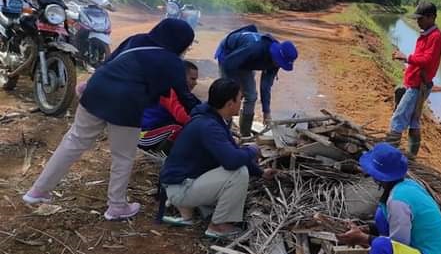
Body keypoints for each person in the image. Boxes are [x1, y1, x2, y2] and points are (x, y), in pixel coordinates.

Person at [23, 18, 199, 220]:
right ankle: (116, 206)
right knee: (123, 156)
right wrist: (208, 111)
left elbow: (109, 61)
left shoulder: (137, 39)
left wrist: (86, 84)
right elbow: (184, 96)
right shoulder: (173, 63)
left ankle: (37, 191)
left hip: (97, 90)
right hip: (126, 104)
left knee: (73, 141)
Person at [159, 78, 276, 238]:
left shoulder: (212, 118)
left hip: (181, 182)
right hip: (180, 188)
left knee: (236, 165)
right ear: (229, 104)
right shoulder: (209, 126)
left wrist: (260, 172)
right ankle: (218, 225)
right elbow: (232, 161)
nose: (241, 103)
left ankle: (189, 209)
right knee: (238, 173)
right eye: (240, 99)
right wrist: (253, 150)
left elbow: (232, 151)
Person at [214, 25, 298, 136]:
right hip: (229, 56)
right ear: (276, 55)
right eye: (279, 62)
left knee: (252, 96)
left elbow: (265, 86)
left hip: (246, 64)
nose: (278, 65)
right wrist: (237, 88)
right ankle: (224, 130)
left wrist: (266, 111)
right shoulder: (255, 48)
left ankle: (245, 133)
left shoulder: (275, 62)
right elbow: (229, 64)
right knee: (230, 96)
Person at [387, 1, 441, 159]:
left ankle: (388, 155)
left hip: (419, 85)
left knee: (398, 118)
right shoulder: (426, 34)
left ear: (431, 17)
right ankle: (411, 158)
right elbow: (421, 58)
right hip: (415, 82)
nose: (418, 21)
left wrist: (406, 57)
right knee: (413, 120)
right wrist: (407, 60)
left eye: (421, 18)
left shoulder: (435, 37)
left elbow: (427, 60)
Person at [139, 60, 200, 153]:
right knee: (178, 129)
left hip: (155, 130)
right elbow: (182, 117)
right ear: (181, 77)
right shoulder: (168, 91)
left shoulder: (183, 93)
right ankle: (165, 157)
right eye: (192, 79)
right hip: (144, 136)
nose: (196, 83)